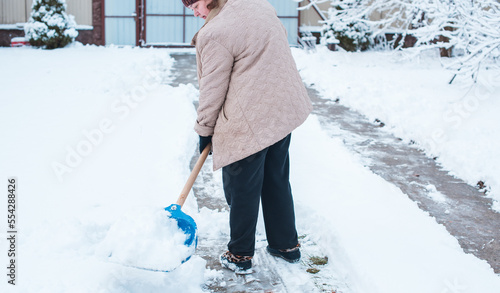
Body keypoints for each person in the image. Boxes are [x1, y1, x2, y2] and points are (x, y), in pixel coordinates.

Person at [182, 0, 313, 274]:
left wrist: (205, 130)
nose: (193, 12)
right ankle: (286, 246)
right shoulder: (258, 4)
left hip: (248, 120)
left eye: (194, 4)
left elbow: (212, 88)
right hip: (281, 110)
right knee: (276, 179)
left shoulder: (214, 33)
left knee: (241, 189)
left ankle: (240, 255)